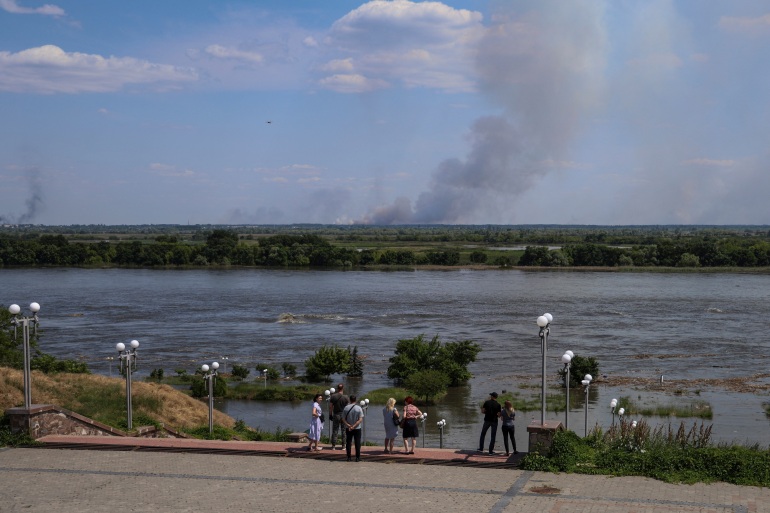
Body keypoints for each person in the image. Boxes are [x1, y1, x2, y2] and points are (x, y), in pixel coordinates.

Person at [342, 394, 365, 462]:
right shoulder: (359, 408)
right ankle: (357, 457)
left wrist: (349, 425)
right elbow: (360, 419)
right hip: (357, 428)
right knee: (357, 442)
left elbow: (343, 419)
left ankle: (349, 457)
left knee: (348, 442)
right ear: (356, 400)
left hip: (348, 428)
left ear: (350, 400)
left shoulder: (346, 408)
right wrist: (354, 426)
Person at [329, 383, 349, 450]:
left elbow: (331, 407)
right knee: (344, 431)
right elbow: (347, 407)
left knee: (335, 430)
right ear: (343, 388)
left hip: (336, 414)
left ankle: (333, 446)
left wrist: (330, 414)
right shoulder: (346, 397)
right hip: (343, 415)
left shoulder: (333, 396)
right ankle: (343, 446)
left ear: (337, 388)